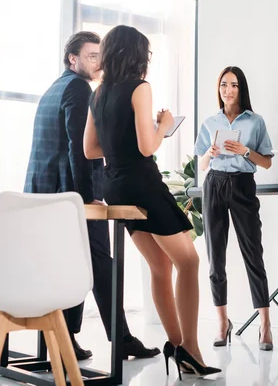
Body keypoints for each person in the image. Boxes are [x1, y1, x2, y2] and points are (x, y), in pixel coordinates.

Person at [83, 25, 220, 378]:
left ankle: (177, 346)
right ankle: (190, 347)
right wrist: (164, 124)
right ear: (137, 55)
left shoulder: (97, 94)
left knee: (161, 267)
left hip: (116, 186)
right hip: (143, 184)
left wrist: (123, 144)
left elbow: (90, 149)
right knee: (188, 262)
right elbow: (148, 147)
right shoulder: (139, 88)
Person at [24, 31, 159, 361]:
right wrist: (87, 196)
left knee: (74, 263)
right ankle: (121, 339)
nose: (99, 62)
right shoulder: (78, 88)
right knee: (101, 262)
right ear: (73, 59)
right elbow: (78, 148)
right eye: (91, 56)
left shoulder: (52, 89)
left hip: (44, 194)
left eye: (100, 55)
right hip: (71, 195)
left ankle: (64, 337)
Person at [194, 66, 274, 351]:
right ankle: (222, 322)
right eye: (224, 85)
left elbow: (266, 162)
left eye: (234, 85)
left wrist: (244, 152)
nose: (228, 90)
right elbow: (201, 165)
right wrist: (209, 154)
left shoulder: (255, 121)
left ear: (242, 89)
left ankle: (265, 325)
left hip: (242, 185)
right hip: (214, 184)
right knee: (216, 257)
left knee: (253, 253)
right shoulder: (210, 121)